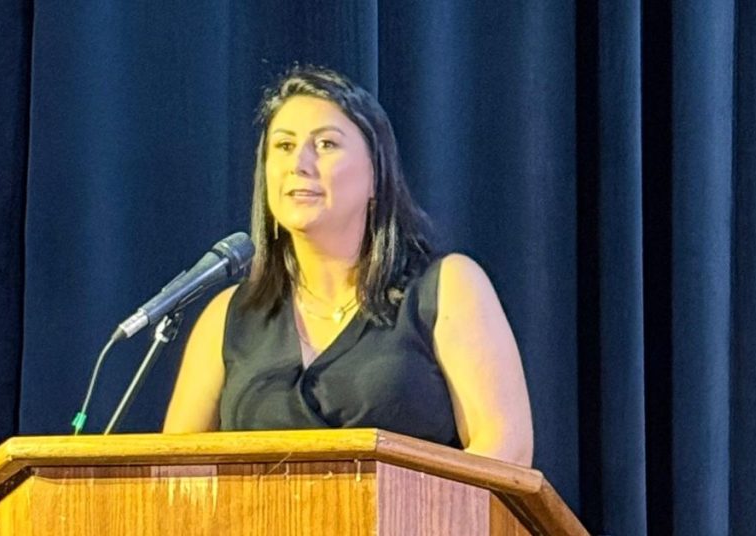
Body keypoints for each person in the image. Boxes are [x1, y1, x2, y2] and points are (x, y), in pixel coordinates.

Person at [163, 65, 533, 466]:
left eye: (325, 144)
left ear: (376, 175)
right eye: (284, 145)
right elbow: (173, 473)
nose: (299, 163)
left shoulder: (448, 288)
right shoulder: (227, 316)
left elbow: (506, 449)